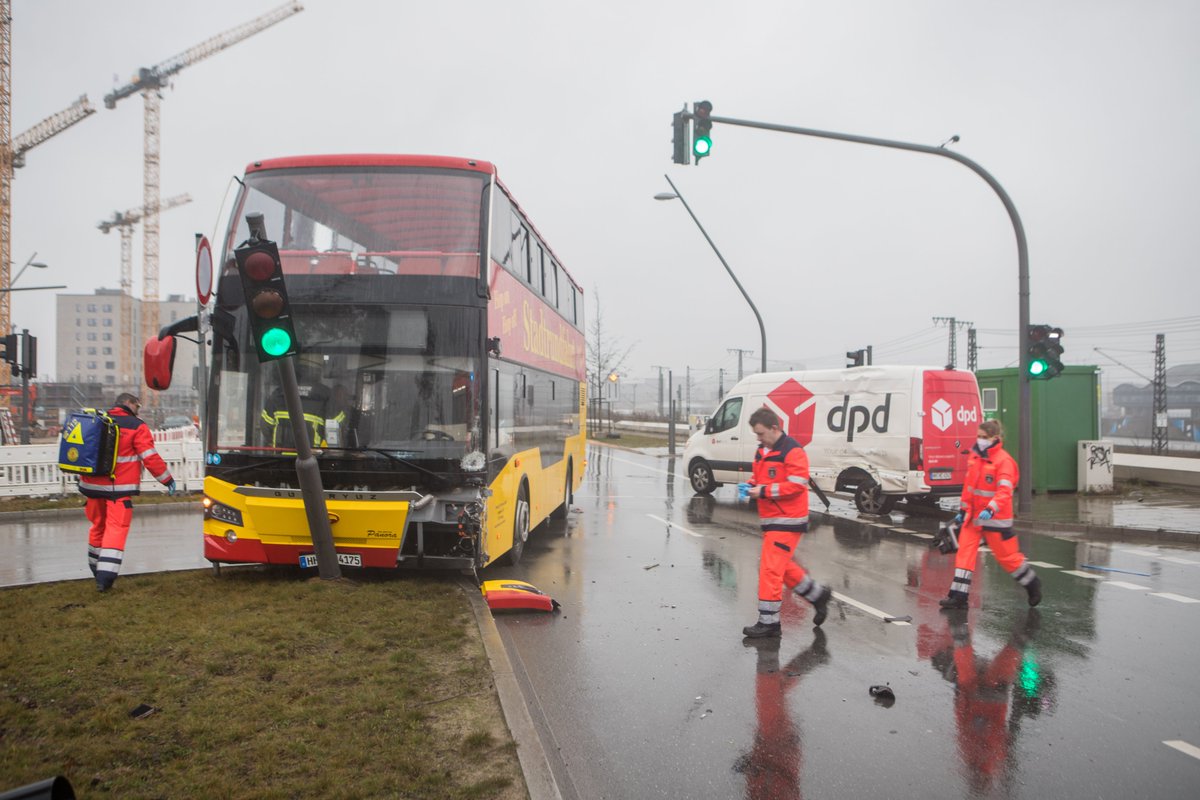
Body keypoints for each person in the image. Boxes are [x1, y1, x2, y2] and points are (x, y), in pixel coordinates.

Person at [741, 407, 832, 638]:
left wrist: (763, 491)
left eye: (761, 433)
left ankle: (769, 623)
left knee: (770, 569)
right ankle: (817, 595)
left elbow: (796, 485)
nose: (758, 438)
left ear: (774, 428)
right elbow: (759, 477)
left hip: (788, 520)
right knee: (781, 567)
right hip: (772, 520)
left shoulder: (793, 451)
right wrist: (750, 485)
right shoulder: (762, 450)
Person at [940, 419, 1042, 609]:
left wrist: (990, 508)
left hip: (995, 520)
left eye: (984, 437)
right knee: (964, 554)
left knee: (1008, 558)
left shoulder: (1004, 462)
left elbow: (1005, 491)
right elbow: (969, 488)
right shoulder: (975, 457)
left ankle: (1032, 583)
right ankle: (958, 596)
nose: (980, 440)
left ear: (995, 438)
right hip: (973, 518)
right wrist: (963, 510)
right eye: (978, 436)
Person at [79, 393, 175, 592]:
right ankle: (105, 580)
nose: (138, 410)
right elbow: (149, 457)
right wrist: (167, 479)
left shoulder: (99, 420)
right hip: (118, 490)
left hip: (91, 488)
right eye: (137, 406)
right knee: (115, 529)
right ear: (128, 403)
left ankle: (95, 569)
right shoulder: (136, 426)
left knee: (97, 527)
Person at [261, 363, 343, 448]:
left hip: (280, 454)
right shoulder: (326, 394)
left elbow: (265, 426)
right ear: (316, 375)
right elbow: (338, 425)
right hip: (311, 455)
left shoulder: (279, 393)